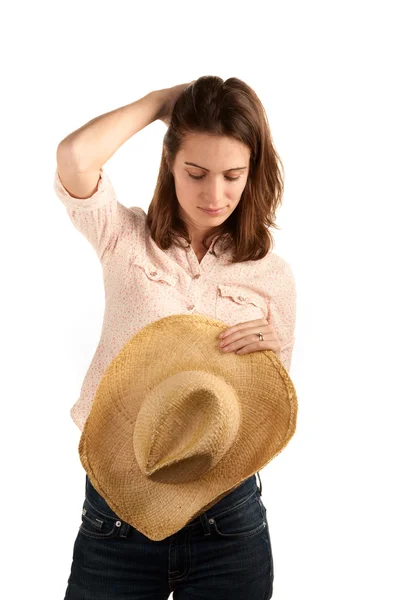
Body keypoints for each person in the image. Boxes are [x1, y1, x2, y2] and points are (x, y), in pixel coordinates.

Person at [54, 75, 296, 600]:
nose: (215, 195)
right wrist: (161, 103)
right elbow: (74, 157)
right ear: (169, 164)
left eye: (233, 175)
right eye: (196, 172)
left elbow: (265, 411)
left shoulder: (271, 276)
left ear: (253, 173)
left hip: (227, 524)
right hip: (116, 517)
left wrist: (270, 359)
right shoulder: (125, 239)